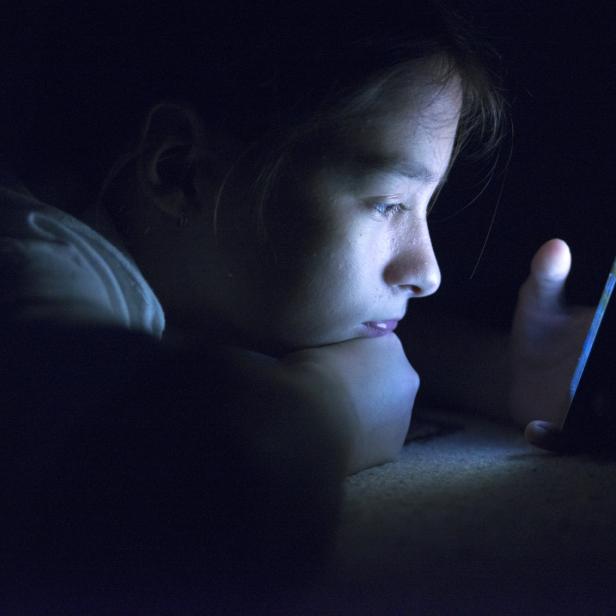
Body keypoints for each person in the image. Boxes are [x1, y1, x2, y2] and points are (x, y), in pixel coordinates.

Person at [1, 0, 594, 604]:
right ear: (180, 171)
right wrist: (328, 410)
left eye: (426, 208)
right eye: (389, 203)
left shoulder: (176, 264)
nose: (428, 272)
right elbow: (179, 493)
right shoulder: (35, 261)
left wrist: (499, 373)